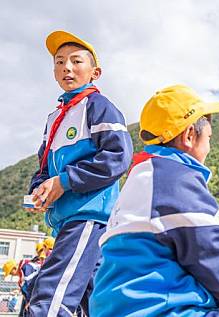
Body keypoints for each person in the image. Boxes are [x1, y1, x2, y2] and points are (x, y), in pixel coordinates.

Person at [89, 84, 219, 316]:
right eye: (208, 137)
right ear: (190, 135)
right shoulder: (174, 179)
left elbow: (217, 225)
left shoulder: (148, 175)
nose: (209, 146)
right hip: (158, 310)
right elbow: (215, 251)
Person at [25, 30, 133, 317]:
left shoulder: (99, 106)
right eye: (59, 62)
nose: (66, 68)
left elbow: (118, 156)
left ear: (95, 72)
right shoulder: (55, 118)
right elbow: (44, 165)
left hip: (88, 213)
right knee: (97, 300)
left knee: (50, 294)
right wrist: (40, 188)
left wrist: (65, 181)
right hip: (65, 217)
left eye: (75, 61)